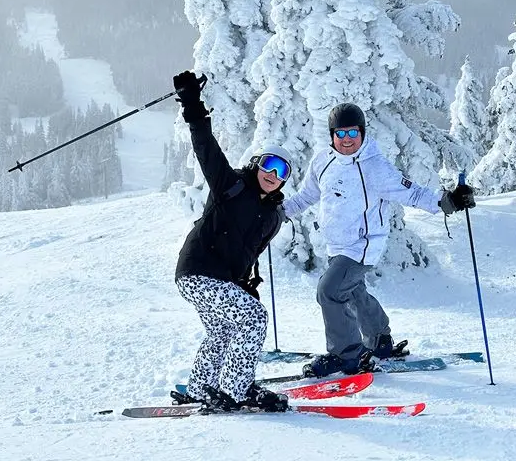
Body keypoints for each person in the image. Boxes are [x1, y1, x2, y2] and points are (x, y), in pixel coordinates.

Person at [283, 102, 475, 378]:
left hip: (362, 245)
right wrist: (276, 212)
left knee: (329, 292)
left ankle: (346, 354)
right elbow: (305, 197)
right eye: (341, 134)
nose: (347, 140)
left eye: (353, 134)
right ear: (332, 135)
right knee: (353, 291)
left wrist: (448, 201)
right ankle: (379, 339)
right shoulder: (323, 162)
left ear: (362, 134)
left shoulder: (374, 167)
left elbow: (412, 193)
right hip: (337, 245)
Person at [172, 70, 292, 412]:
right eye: (269, 165)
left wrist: (245, 283)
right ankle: (236, 389)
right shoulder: (232, 185)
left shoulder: (271, 215)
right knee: (253, 319)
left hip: (213, 278)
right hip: (198, 270)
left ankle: (200, 387)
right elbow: (205, 148)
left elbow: (247, 252)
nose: (273, 175)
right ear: (256, 164)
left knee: (223, 330)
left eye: (282, 172)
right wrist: (193, 104)